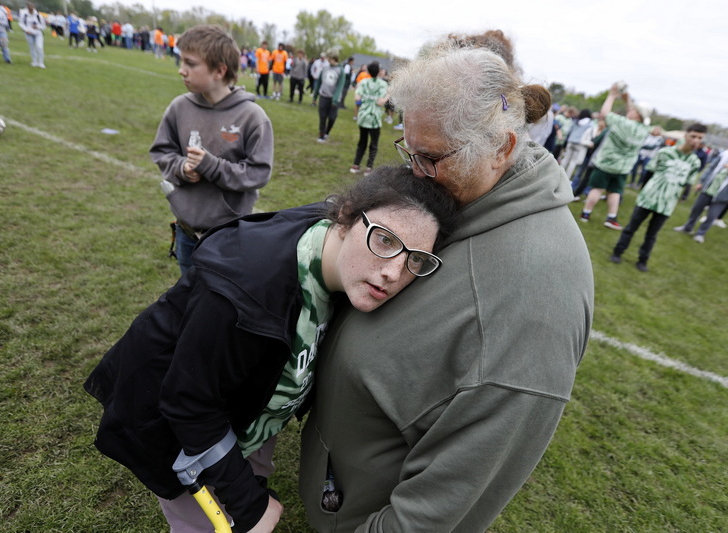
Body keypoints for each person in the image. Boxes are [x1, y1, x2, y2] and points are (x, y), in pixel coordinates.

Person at [299, 32, 594, 532]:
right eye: (408, 149)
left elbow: (444, 507)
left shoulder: (534, 297)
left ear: (501, 148)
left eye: (430, 158)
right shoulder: (462, 193)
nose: (413, 173)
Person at [84, 166, 458, 533]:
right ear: (344, 218)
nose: (394, 271)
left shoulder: (344, 259)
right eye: (386, 240)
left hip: (247, 412)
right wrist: (248, 505)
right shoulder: (242, 292)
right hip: (172, 427)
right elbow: (189, 403)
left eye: (415, 259)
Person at [150, 25, 274, 274]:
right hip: (186, 228)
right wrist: (182, 169)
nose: (181, 70)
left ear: (219, 70)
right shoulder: (179, 108)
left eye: (190, 63)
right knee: (188, 292)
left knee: (222, 298)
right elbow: (162, 152)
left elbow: (258, 173)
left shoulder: (252, 117)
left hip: (228, 233)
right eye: (181, 60)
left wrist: (211, 166)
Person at [610, 123, 707, 272]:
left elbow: (687, 182)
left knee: (652, 234)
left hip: (667, 204)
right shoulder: (665, 152)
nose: (695, 140)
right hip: (648, 198)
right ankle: (618, 251)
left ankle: (643, 260)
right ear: (686, 135)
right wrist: (647, 191)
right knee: (631, 227)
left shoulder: (695, 162)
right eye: (693, 136)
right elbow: (649, 172)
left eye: (699, 138)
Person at [579, 83, 652, 229]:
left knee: (597, 189)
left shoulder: (622, 123)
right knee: (615, 192)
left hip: (606, 163)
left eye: (633, 110)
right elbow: (633, 114)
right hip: (623, 168)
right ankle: (611, 218)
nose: (629, 111)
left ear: (637, 114)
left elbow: (604, 114)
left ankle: (586, 213)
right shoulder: (645, 129)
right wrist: (627, 100)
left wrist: (612, 95)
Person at [674, 134, 728, 243]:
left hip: (725, 192)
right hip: (710, 187)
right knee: (696, 208)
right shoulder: (726, 153)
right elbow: (711, 167)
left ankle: (700, 233)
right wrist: (701, 181)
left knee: (712, 215)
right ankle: (687, 227)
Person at [349, 61, 388, 175]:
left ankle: (356, 165)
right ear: (379, 71)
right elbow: (380, 102)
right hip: (374, 118)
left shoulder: (363, 82)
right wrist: (387, 96)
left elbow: (357, 98)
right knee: (374, 144)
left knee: (362, 142)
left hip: (363, 116)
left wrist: (365, 101)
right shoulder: (382, 84)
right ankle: (369, 168)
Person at [314, 52, 345, 143]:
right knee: (322, 117)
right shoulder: (325, 68)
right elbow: (319, 82)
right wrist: (315, 95)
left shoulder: (341, 70)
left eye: (330, 58)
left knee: (332, 117)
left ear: (334, 58)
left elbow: (340, 86)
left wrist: (335, 99)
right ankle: (321, 136)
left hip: (334, 99)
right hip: (323, 96)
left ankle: (327, 132)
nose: (328, 60)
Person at [559, 108, 594, 181]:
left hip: (571, 141)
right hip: (579, 144)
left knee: (566, 159)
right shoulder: (590, 123)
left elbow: (570, 131)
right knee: (573, 162)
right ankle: (566, 178)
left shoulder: (576, 121)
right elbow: (591, 134)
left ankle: (559, 174)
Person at [18, 2, 45, 68]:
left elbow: (44, 26)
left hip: (38, 33)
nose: (31, 10)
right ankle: (34, 61)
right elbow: (21, 23)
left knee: (39, 47)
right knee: (32, 47)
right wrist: (26, 30)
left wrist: (37, 27)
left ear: (34, 8)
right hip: (28, 33)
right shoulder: (24, 15)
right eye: (29, 8)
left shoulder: (38, 15)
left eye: (32, 8)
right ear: (27, 8)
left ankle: (41, 63)